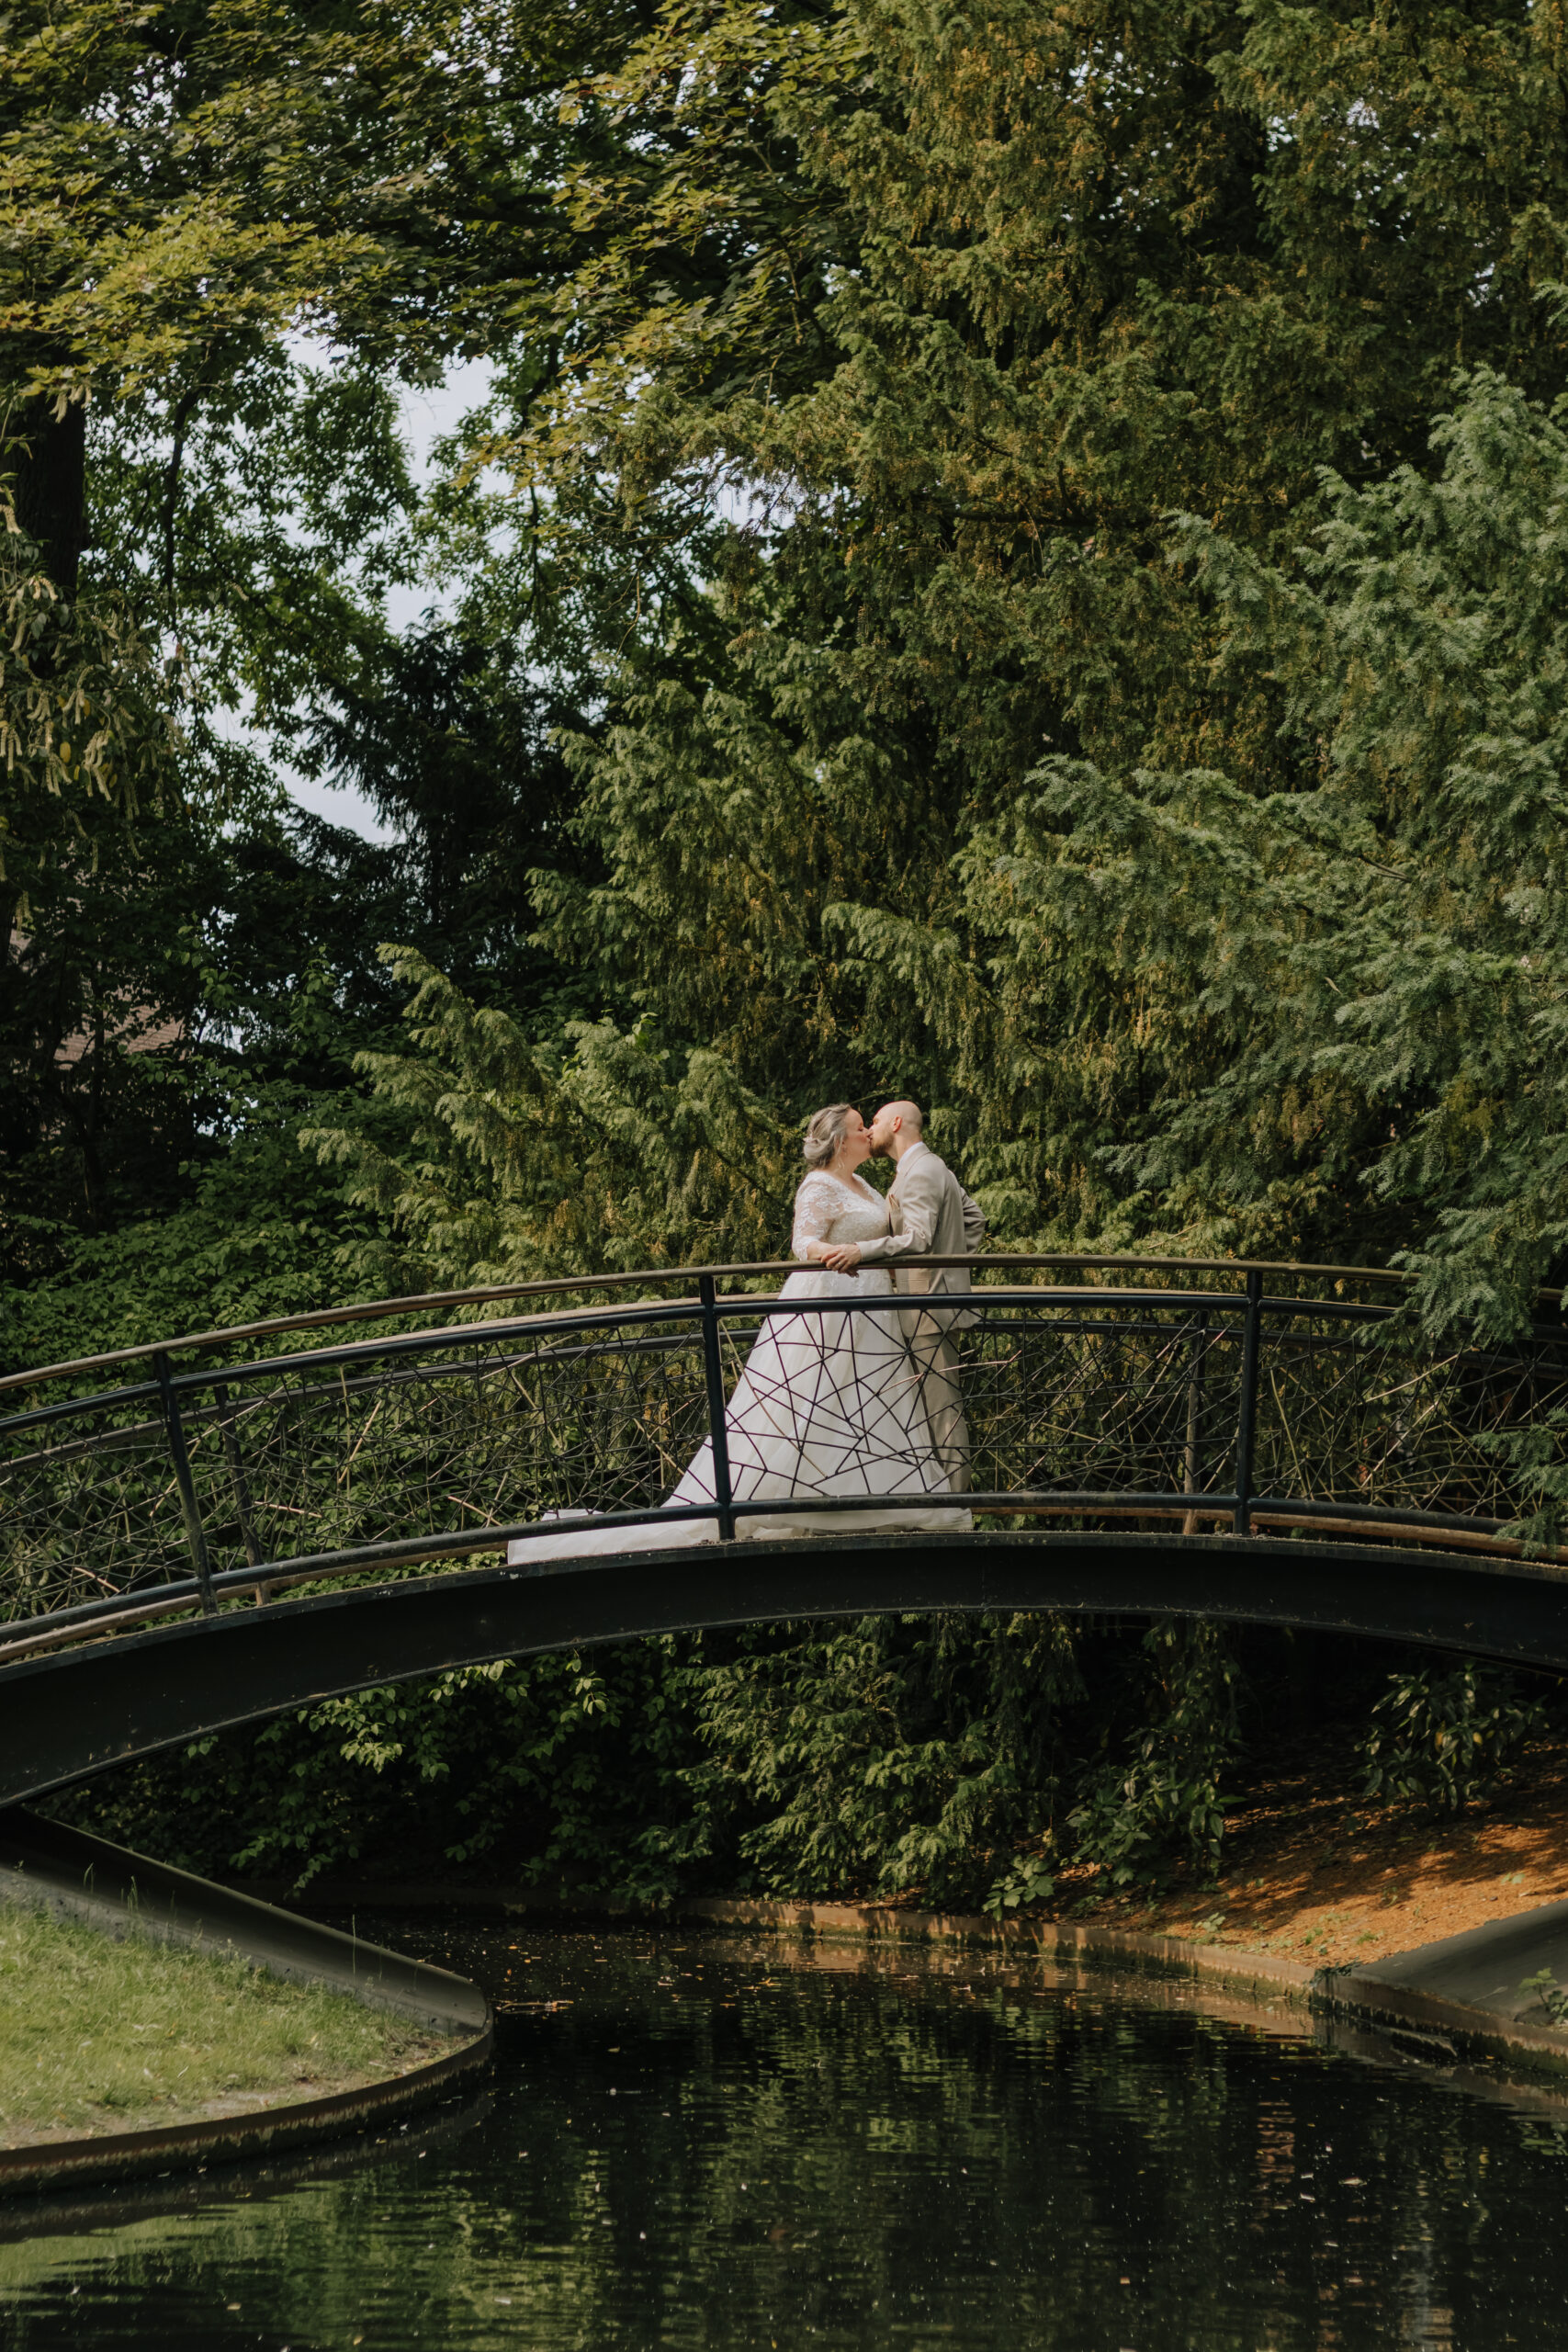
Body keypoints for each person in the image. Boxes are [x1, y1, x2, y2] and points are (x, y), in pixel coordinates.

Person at [505, 1102, 970, 1566]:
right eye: (858, 1127)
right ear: (838, 1140)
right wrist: (833, 1251)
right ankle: (779, 1500)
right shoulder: (818, 1185)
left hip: (872, 1309)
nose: (867, 1132)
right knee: (801, 1406)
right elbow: (802, 1243)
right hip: (827, 1299)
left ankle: (877, 1499)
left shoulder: (869, 1185)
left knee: (865, 1398)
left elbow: (930, 1228)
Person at [819, 1100, 986, 1493]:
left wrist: (863, 1251)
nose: (869, 1130)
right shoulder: (930, 1166)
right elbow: (974, 1220)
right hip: (932, 1302)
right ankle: (943, 1499)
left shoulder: (922, 1171)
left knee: (941, 1408)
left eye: (874, 1122)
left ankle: (953, 1505)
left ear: (896, 1123)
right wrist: (952, 1272)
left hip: (928, 1309)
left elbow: (921, 1238)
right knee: (933, 1404)